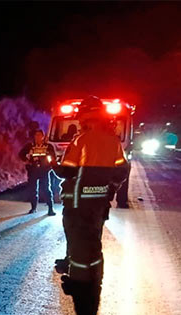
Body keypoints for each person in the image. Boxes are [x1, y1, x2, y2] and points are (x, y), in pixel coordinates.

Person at [52, 96, 129, 297]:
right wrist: (109, 190)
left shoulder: (81, 140)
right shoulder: (113, 141)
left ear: (85, 116)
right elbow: (122, 171)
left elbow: (67, 171)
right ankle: (96, 280)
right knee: (94, 242)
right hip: (99, 202)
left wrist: (53, 165)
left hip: (78, 203)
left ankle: (78, 284)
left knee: (78, 244)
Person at [18, 129, 57, 216]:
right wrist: (27, 160)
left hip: (44, 170)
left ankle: (50, 208)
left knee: (47, 189)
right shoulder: (30, 146)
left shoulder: (48, 146)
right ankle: (33, 208)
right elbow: (21, 154)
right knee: (33, 190)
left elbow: (53, 157)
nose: (38, 137)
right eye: (36, 135)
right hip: (33, 170)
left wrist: (50, 166)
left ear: (43, 136)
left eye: (39, 135)